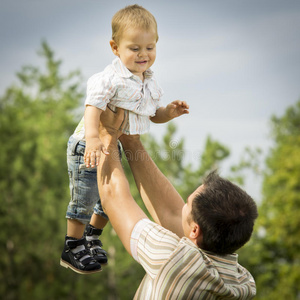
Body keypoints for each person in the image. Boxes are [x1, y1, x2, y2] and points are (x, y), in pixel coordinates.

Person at [60, 4, 189, 274]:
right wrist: (94, 138)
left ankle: (92, 236)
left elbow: (152, 115)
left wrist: (169, 112)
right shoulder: (109, 79)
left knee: (108, 200)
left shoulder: (148, 83)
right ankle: (72, 245)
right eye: (135, 48)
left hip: (114, 144)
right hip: (88, 144)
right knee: (85, 196)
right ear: (115, 47)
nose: (143, 55)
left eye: (150, 47)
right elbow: (92, 107)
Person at [96, 108, 259, 299]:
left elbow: (114, 198)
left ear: (195, 231)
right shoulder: (241, 280)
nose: (183, 205)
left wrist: (106, 133)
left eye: (188, 203)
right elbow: (171, 213)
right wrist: (130, 140)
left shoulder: (175, 261)